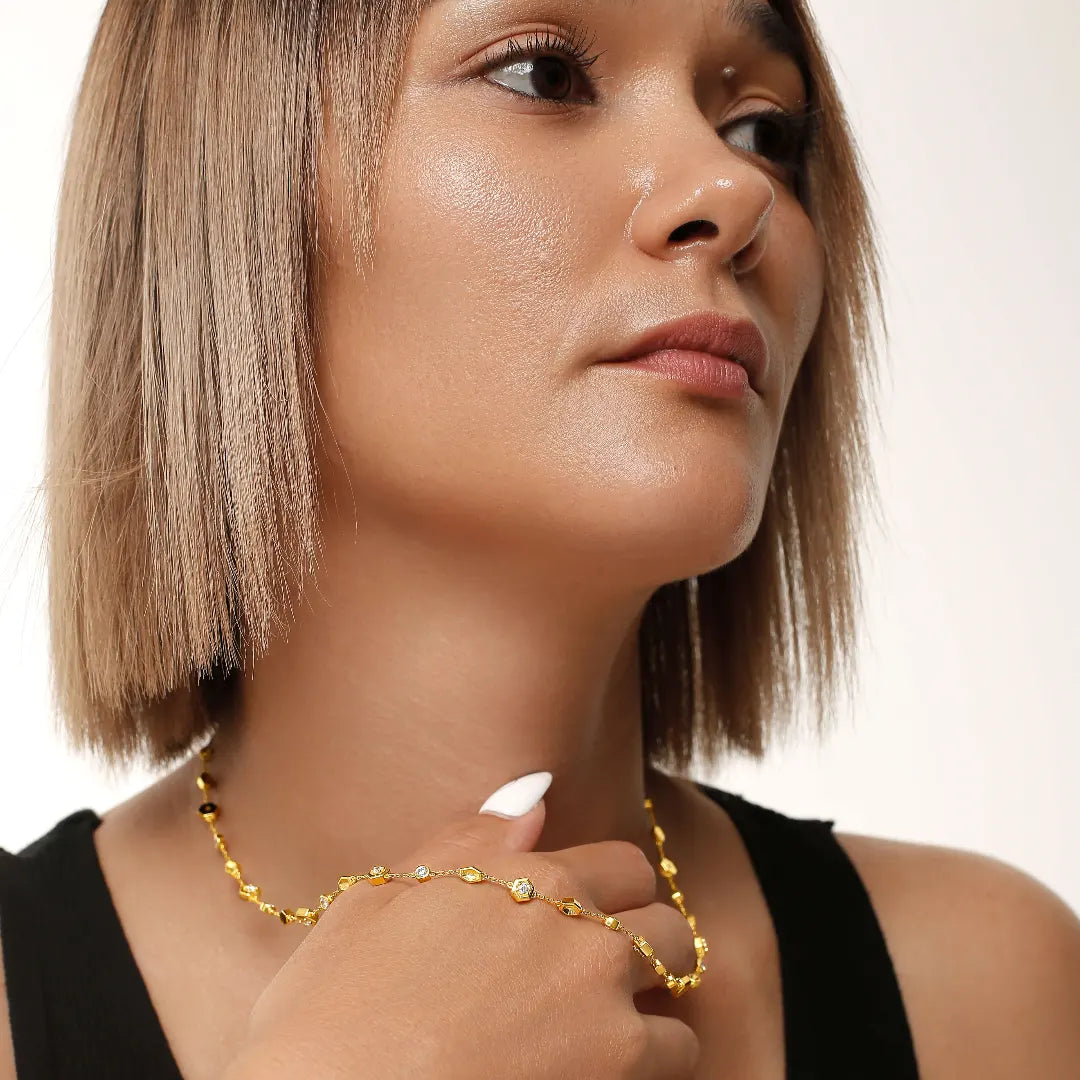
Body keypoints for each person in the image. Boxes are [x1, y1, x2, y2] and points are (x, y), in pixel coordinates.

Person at [2, 0, 1079, 1075]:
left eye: (761, 128)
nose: (734, 189)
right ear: (224, 184)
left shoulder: (986, 1001)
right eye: (546, 76)